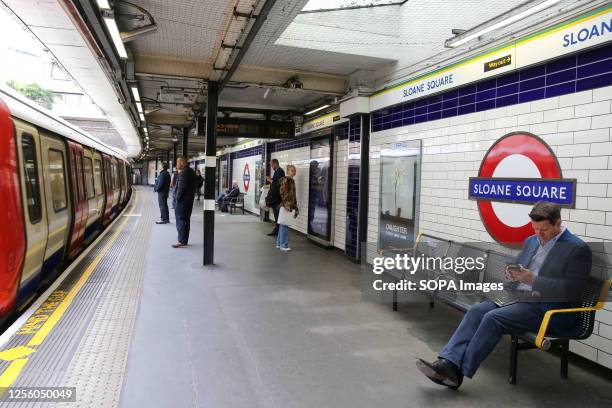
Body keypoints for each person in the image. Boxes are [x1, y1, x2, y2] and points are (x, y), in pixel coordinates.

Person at [416, 201, 591, 389]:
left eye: (544, 229)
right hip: (520, 299)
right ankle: (448, 362)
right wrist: (512, 274)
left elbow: (573, 290)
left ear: (558, 223)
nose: (539, 234)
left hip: (549, 308)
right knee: (476, 310)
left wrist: (533, 280)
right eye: (535, 228)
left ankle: (457, 371)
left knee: (493, 318)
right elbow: (519, 266)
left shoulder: (577, 249)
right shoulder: (532, 241)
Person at [172, 157, 197, 248]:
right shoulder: (191, 171)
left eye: (177, 162)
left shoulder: (183, 173)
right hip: (188, 202)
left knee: (181, 221)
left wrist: (177, 200)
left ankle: (181, 241)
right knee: (186, 221)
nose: (176, 165)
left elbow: (181, 189)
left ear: (182, 163)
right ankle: (184, 240)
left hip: (182, 203)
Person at [276, 165, 298, 251]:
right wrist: (287, 204)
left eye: (295, 170)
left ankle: (279, 243)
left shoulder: (290, 180)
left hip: (286, 205)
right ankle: (284, 245)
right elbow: (283, 192)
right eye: (292, 170)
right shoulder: (287, 180)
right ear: (288, 172)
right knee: (284, 224)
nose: (294, 172)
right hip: (286, 205)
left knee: (283, 223)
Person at [265, 159, 285, 236]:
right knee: (276, 215)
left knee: (277, 214)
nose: (271, 166)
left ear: (276, 164)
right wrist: (271, 179)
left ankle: (277, 230)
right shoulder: (277, 171)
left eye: (272, 165)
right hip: (275, 197)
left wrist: (270, 180)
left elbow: (278, 184)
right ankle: (277, 230)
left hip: (277, 198)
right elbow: (276, 181)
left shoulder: (280, 171)